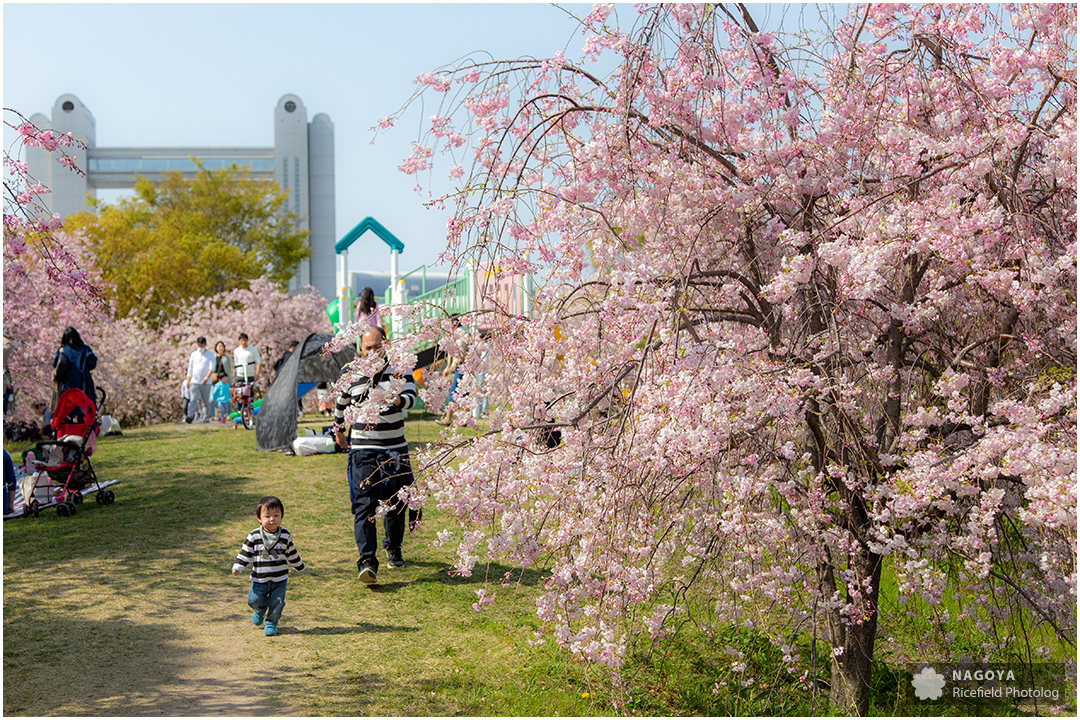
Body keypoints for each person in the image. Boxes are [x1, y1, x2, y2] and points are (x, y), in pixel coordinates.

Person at [333, 327, 417, 584]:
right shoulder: (351, 372)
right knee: (364, 505)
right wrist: (338, 430)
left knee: (396, 502)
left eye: (376, 346)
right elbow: (341, 404)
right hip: (363, 449)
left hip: (394, 448)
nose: (371, 352)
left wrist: (396, 401)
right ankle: (367, 561)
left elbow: (412, 398)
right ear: (360, 348)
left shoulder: (400, 369)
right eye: (367, 347)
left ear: (386, 344)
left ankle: (393, 546)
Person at [231, 496, 305, 637]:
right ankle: (259, 611)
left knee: (277, 602)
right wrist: (238, 567)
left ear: (282, 516)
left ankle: (271, 622)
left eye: (276, 515)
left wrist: (299, 566)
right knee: (254, 600)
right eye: (267, 516)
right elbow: (245, 553)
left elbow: (291, 552)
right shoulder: (254, 536)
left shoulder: (284, 535)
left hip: (279, 578)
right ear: (259, 518)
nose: (272, 519)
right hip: (260, 579)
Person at [53, 327, 97, 409]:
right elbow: (92, 363)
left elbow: (55, 364)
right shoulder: (85, 349)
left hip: (68, 383)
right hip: (84, 382)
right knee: (85, 408)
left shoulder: (62, 350)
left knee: (68, 408)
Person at [185, 337, 215, 423]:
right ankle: (190, 416)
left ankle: (205, 417)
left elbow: (211, 367)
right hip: (195, 381)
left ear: (205, 345)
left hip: (206, 382)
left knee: (205, 400)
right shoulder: (194, 354)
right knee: (193, 399)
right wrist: (188, 380)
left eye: (202, 345)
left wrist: (206, 378)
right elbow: (190, 368)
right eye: (198, 345)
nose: (200, 347)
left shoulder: (210, 355)